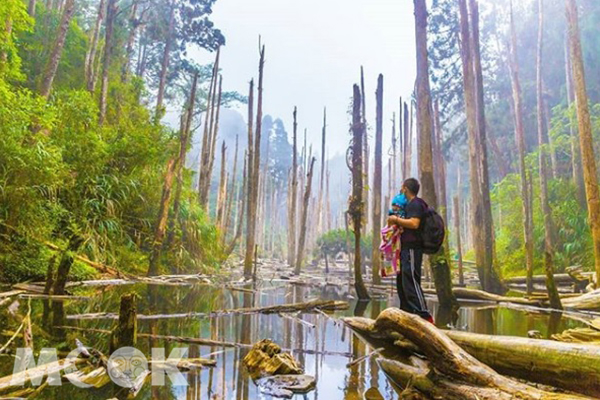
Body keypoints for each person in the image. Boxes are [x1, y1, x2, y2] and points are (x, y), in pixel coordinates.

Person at [387, 178, 434, 323]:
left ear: (405, 188)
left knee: (412, 280)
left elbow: (414, 224)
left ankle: (424, 315)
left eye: (402, 188)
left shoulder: (416, 204)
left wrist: (396, 220)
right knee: (402, 281)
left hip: (413, 248)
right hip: (405, 248)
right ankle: (406, 312)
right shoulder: (409, 205)